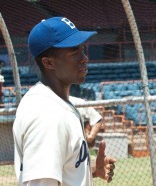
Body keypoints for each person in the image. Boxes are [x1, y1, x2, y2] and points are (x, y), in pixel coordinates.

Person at [13, 17, 116, 186]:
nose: (84, 58)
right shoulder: (48, 117)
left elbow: (61, 171)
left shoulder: (57, 102)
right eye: (74, 52)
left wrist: (92, 171)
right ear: (49, 62)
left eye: (83, 50)